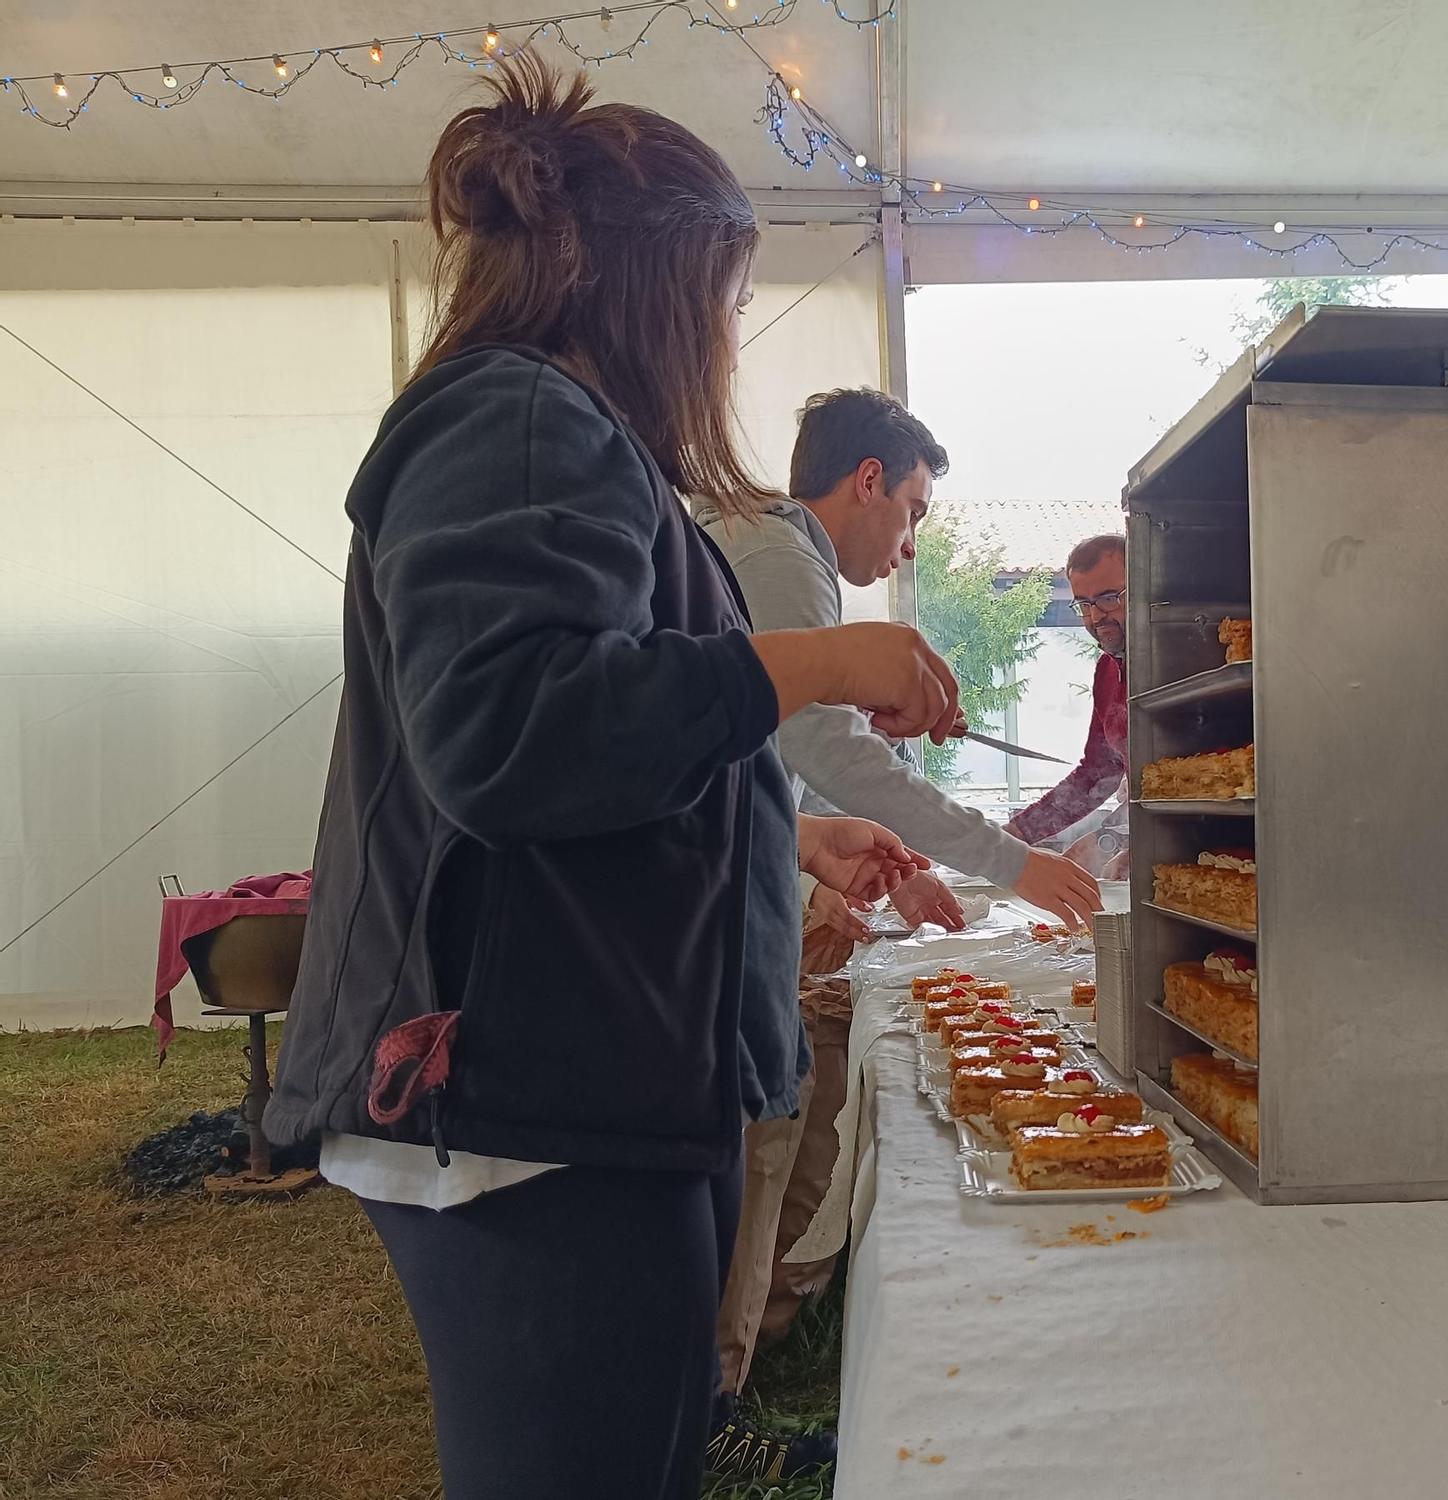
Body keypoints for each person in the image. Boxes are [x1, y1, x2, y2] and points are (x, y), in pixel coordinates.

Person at [265, 56, 960, 1500]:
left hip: (584, 1094)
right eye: (717, 301)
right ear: (652, 286)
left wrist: (783, 832)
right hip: (526, 1111)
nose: (718, 340)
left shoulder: (562, 434)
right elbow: (515, 735)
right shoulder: (517, 420)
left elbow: (608, 761)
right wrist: (823, 667)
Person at [694, 390, 1101, 1444]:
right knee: (765, 1128)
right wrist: (1009, 861)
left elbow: (780, 761)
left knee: (781, 1118)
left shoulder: (767, 552)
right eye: (912, 507)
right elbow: (829, 749)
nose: (910, 537)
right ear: (866, 480)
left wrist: (828, 848)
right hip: (724, 909)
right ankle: (717, 1397)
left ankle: (752, 1347)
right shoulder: (784, 557)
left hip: (754, 879)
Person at [1006, 533, 1130, 872]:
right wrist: (1016, 833)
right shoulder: (1108, 670)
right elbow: (1097, 773)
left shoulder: (1186, 659)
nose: (1094, 618)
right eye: (1084, 604)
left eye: (1108, 598)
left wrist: (1125, 841)